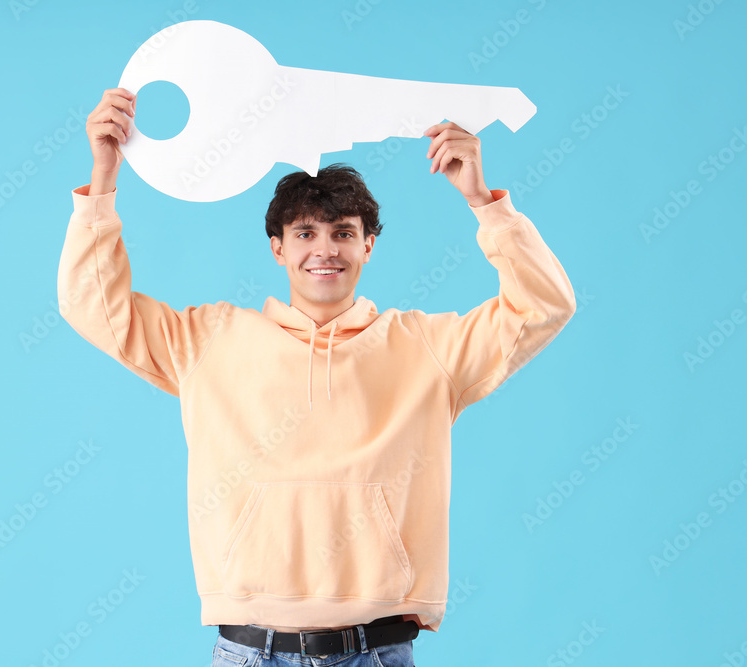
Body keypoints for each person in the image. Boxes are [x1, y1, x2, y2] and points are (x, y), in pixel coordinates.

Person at [57, 88, 577, 666]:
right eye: (305, 233)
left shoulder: (429, 347)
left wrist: (485, 202)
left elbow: (545, 304)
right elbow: (94, 306)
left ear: (368, 245)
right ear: (277, 249)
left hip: (374, 649)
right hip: (250, 649)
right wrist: (102, 180)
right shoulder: (209, 341)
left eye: (343, 233)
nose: (324, 250)